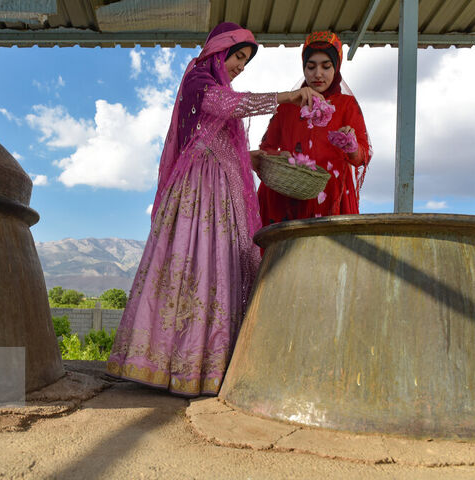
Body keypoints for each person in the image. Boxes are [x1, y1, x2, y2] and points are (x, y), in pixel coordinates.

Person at [106, 22, 320, 396]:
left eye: (245, 61)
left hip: (220, 188)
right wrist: (287, 96)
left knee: (217, 266)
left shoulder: (217, 86)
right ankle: (171, 363)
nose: (240, 66)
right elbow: (227, 106)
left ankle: (206, 365)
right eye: (238, 57)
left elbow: (223, 134)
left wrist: (255, 157)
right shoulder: (198, 80)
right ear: (219, 50)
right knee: (193, 264)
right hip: (197, 190)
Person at [257, 31, 372, 226]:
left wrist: (352, 148)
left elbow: (363, 156)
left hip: (331, 198)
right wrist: (282, 158)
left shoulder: (347, 105)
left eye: (326, 66)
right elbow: (266, 148)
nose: (318, 74)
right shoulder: (287, 106)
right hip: (287, 195)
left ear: (337, 68)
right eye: (311, 67)